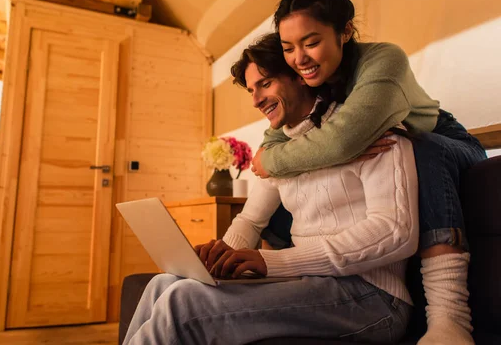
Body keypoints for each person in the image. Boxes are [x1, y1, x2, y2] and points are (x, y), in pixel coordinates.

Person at [123, 33, 419, 345]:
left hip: (372, 296)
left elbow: (394, 232)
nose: (255, 100)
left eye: (265, 84)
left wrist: (274, 261)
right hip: (309, 281)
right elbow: (251, 220)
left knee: (182, 302)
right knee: (164, 284)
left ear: (301, 76)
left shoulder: (371, 134)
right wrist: (218, 265)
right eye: (251, 90)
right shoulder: (279, 151)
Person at [252, 0, 487, 345]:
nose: (299, 58)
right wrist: (277, 158)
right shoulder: (310, 77)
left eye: (310, 42)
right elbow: (275, 143)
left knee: (417, 146)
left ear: (345, 31)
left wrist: (280, 159)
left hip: (446, 143)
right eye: (288, 48)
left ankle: (450, 318)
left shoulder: (384, 61)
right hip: (393, 144)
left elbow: (344, 140)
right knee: (298, 175)